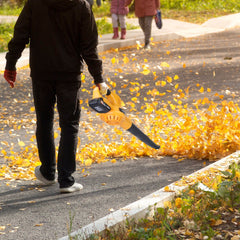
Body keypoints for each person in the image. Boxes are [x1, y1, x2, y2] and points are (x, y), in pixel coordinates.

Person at [4, 0, 108, 193]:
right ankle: (66, 180)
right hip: (69, 74)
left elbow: (21, 33)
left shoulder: (35, 3)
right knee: (69, 124)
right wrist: (98, 77)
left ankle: (47, 172)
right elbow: (89, 45)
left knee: (44, 120)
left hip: (42, 72)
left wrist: (11, 63)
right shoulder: (81, 6)